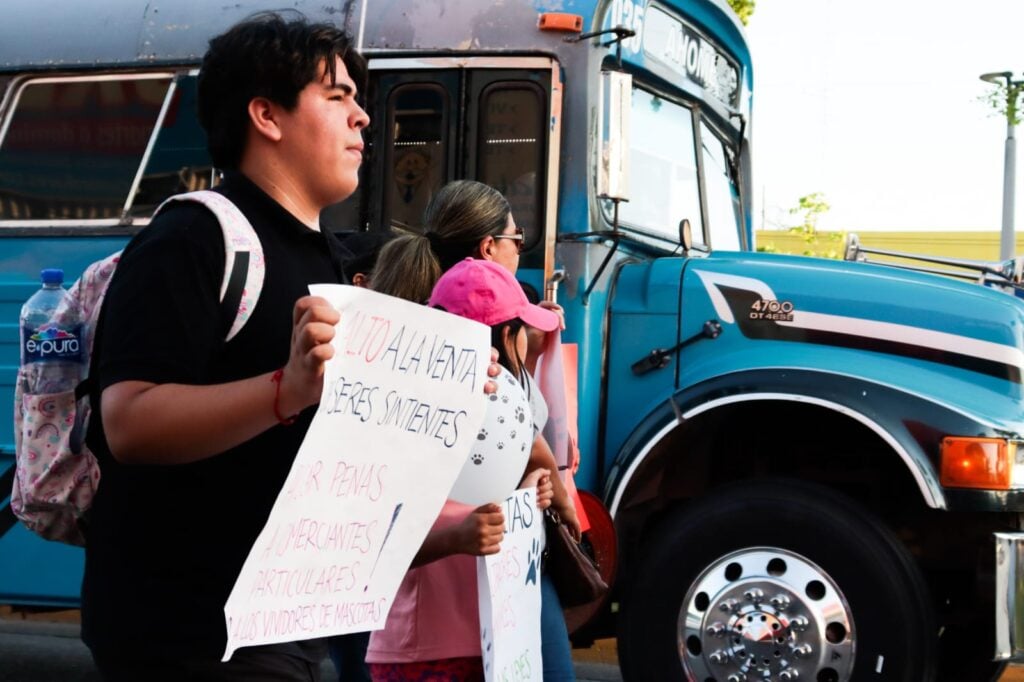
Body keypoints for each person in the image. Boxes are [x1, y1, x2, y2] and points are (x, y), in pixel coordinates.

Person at [373, 181, 580, 680]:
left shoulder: (400, 352)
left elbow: (519, 453)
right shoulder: (412, 391)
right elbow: (374, 534)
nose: (518, 248)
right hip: (430, 633)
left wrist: (533, 496)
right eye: (516, 237)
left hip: (482, 616)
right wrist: (460, 535)